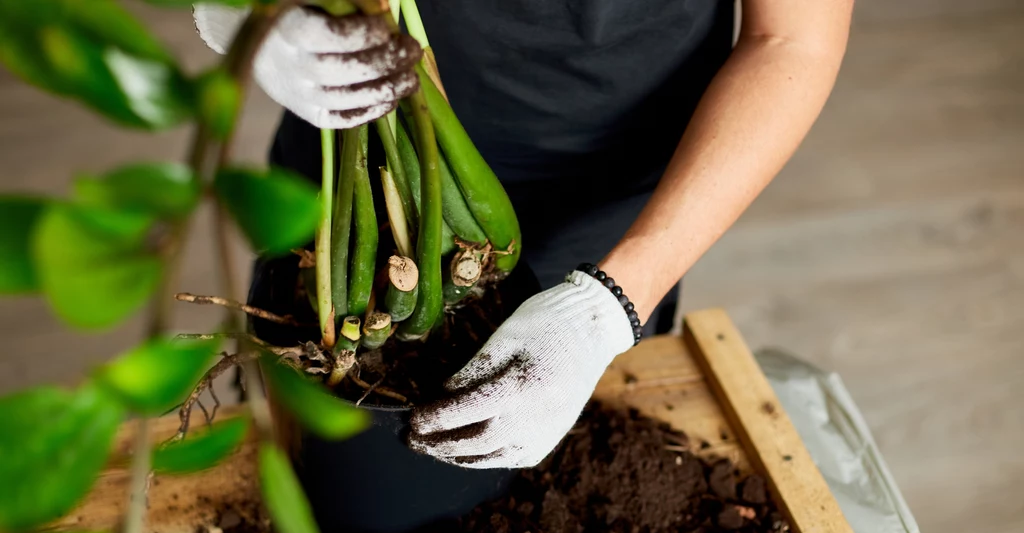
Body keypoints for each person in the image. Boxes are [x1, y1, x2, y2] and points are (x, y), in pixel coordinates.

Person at [195, 1, 852, 472]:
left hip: (611, 195)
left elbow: (792, 41)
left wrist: (608, 307)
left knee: (562, 469)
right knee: (298, 451)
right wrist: (249, 16)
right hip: (362, 161)